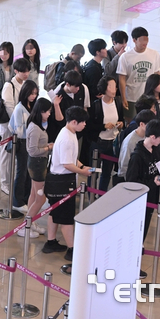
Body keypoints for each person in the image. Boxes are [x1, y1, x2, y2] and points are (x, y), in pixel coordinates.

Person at [125, 120, 160, 272]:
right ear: (153, 136)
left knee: (142, 233)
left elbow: (159, 169)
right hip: (139, 201)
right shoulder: (137, 156)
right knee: (136, 235)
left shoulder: (155, 151)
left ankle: (135, 264)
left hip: (151, 199)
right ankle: (131, 267)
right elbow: (131, 181)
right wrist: (152, 182)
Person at [44, 107, 93, 262]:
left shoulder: (69, 133)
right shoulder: (66, 138)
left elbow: (71, 158)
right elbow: (66, 164)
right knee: (66, 218)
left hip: (58, 179)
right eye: (83, 122)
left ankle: (51, 242)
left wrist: (81, 165)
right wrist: (82, 172)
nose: (85, 124)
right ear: (73, 122)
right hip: (61, 182)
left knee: (54, 213)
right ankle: (72, 250)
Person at [0, 58, 31, 201]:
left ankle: (11, 180)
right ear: (16, 71)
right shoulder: (9, 85)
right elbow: (9, 105)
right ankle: (4, 182)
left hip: (21, 128)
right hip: (8, 125)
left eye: (28, 71)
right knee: (6, 155)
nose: (26, 74)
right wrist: (17, 122)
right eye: (23, 71)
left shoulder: (24, 84)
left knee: (16, 157)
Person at [86, 77, 125, 191]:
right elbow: (89, 126)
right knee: (94, 172)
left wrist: (121, 124)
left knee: (107, 172)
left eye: (115, 86)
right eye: (110, 86)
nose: (114, 89)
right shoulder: (96, 105)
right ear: (104, 88)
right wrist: (103, 126)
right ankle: (91, 195)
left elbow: (122, 119)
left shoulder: (117, 102)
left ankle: (101, 194)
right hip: (99, 142)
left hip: (113, 142)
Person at [116, 27, 160, 120]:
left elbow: (157, 73)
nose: (145, 42)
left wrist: (158, 93)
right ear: (134, 40)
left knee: (149, 122)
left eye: (146, 39)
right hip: (132, 97)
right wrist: (124, 97)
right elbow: (122, 78)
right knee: (131, 121)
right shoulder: (125, 57)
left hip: (149, 97)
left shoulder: (154, 54)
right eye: (142, 40)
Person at [23, 98, 54, 237]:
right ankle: (26, 225)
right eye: (47, 112)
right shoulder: (35, 128)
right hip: (37, 164)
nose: (49, 114)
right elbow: (32, 150)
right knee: (41, 198)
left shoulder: (37, 124)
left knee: (34, 194)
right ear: (41, 111)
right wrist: (48, 147)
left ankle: (31, 222)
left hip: (38, 163)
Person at [9, 80, 38, 215]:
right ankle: (17, 201)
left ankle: (26, 198)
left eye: (35, 94)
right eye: (31, 93)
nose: (33, 96)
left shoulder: (32, 106)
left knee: (28, 173)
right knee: (21, 172)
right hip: (22, 142)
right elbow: (18, 129)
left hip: (31, 143)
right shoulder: (19, 108)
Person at [48, 71, 88, 143]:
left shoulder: (81, 90)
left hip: (78, 134)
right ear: (67, 84)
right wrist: (56, 105)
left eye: (79, 86)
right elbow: (59, 122)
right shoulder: (58, 97)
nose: (78, 89)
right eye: (76, 87)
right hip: (64, 136)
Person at [117, 110, 156, 184]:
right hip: (132, 181)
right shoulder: (130, 141)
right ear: (141, 124)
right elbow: (124, 166)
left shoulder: (147, 135)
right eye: (150, 125)